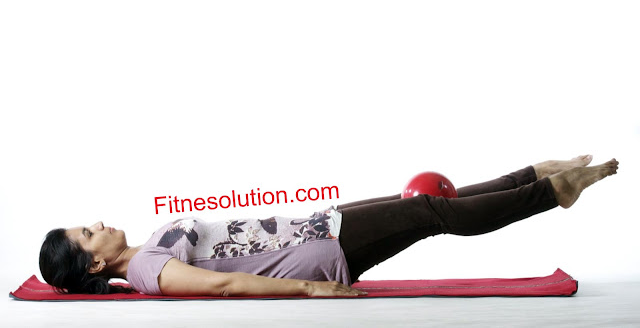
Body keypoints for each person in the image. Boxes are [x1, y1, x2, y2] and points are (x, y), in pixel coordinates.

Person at [39, 155, 619, 297]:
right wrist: (310, 288)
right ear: (95, 262)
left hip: (317, 225)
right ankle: (550, 192)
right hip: (323, 254)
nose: (97, 224)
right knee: (430, 213)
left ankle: (530, 176)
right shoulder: (148, 271)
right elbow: (226, 284)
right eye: (87, 234)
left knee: (422, 199)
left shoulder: (147, 247)